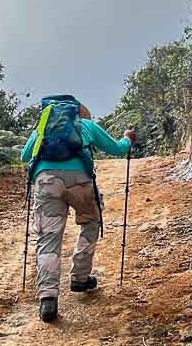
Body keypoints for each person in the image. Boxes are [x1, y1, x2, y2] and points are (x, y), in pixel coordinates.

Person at [20, 102, 134, 322]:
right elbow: (118, 148)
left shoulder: (42, 128)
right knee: (91, 222)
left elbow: (25, 156)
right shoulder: (87, 125)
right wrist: (128, 138)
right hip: (80, 182)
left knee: (48, 239)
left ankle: (48, 299)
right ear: (79, 113)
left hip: (46, 182)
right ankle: (80, 278)